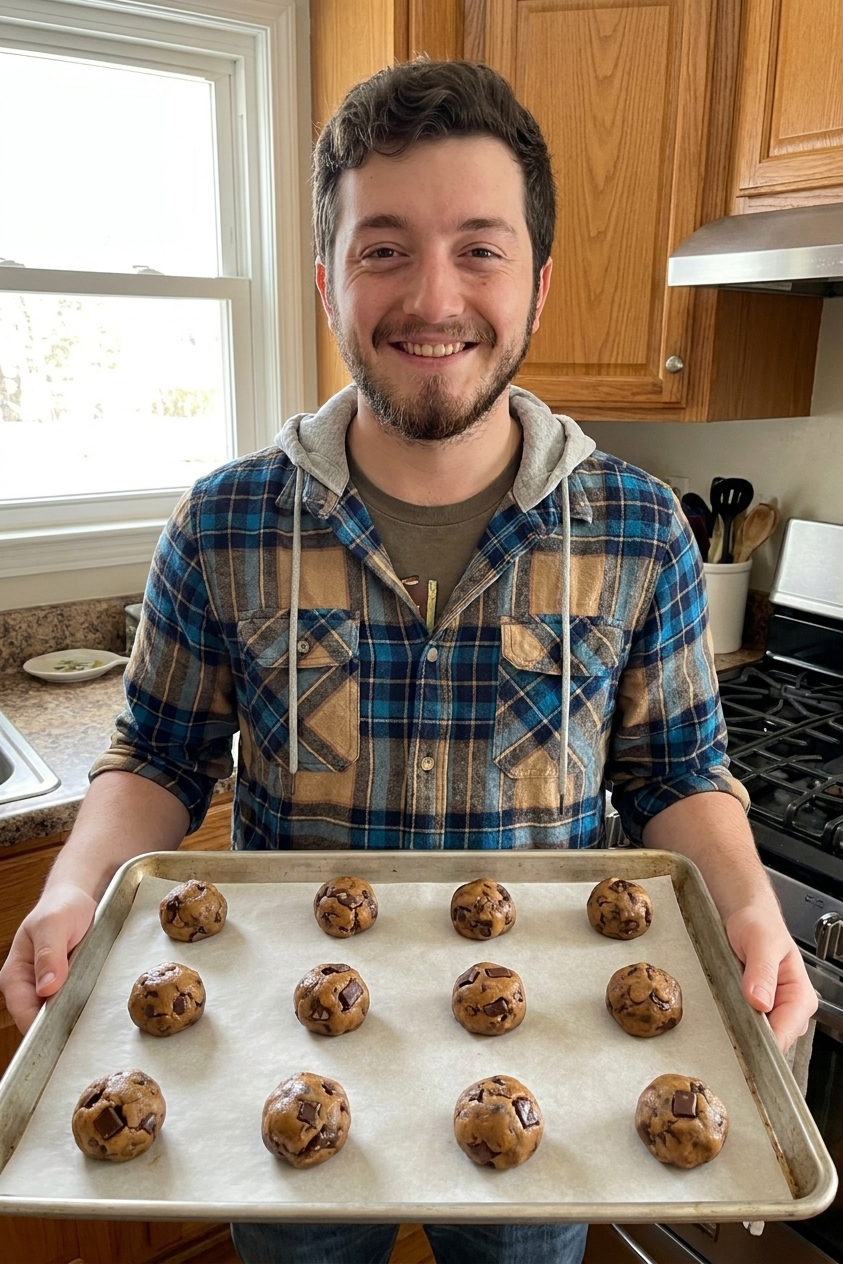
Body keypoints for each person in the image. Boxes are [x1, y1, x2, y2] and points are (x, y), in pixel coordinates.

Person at [0, 59, 816, 1264]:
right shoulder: (223, 524)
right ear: (327, 273)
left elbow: (676, 775)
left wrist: (747, 902)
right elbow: (156, 758)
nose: (434, 297)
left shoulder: (643, 532)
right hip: (292, 1076)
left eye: (479, 249)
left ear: (538, 281)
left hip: (538, 1078)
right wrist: (75, 890)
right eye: (384, 248)